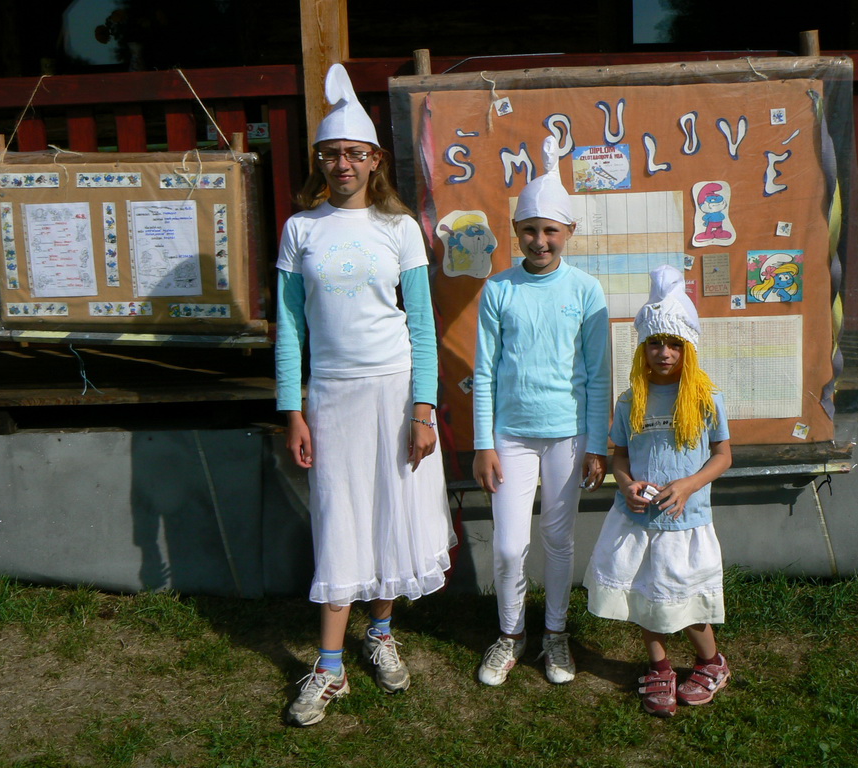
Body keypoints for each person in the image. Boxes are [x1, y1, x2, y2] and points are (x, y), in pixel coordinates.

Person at [275, 63, 456, 726]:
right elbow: (290, 327)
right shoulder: (301, 229)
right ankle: (329, 666)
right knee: (338, 519)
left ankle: (380, 632)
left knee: (390, 511)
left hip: (394, 393)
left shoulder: (399, 228)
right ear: (319, 161)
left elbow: (422, 326)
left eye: (354, 153)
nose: (342, 164)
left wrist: (423, 410)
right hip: (331, 397)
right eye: (331, 154)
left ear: (375, 160)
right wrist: (292, 409)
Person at [472, 135, 611, 686]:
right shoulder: (498, 290)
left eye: (550, 230)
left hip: (567, 437)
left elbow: (598, 375)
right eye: (529, 230)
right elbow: (484, 372)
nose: (539, 241)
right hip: (511, 436)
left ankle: (555, 632)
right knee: (509, 545)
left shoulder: (586, 291)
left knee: (558, 539)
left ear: (568, 232)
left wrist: (596, 443)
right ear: (516, 231)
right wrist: (484, 443)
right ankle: (511, 633)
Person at [584, 264, 732, 718]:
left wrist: (688, 485)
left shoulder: (706, 398)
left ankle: (711, 662)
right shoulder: (631, 400)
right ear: (642, 348)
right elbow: (620, 456)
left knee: (687, 598)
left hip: (685, 522)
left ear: (688, 347)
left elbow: (723, 456)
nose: (664, 353)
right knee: (642, 593)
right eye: (654, 343)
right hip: (637, 519)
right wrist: (625, 484)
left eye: (674, 344)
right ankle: (660, 667)